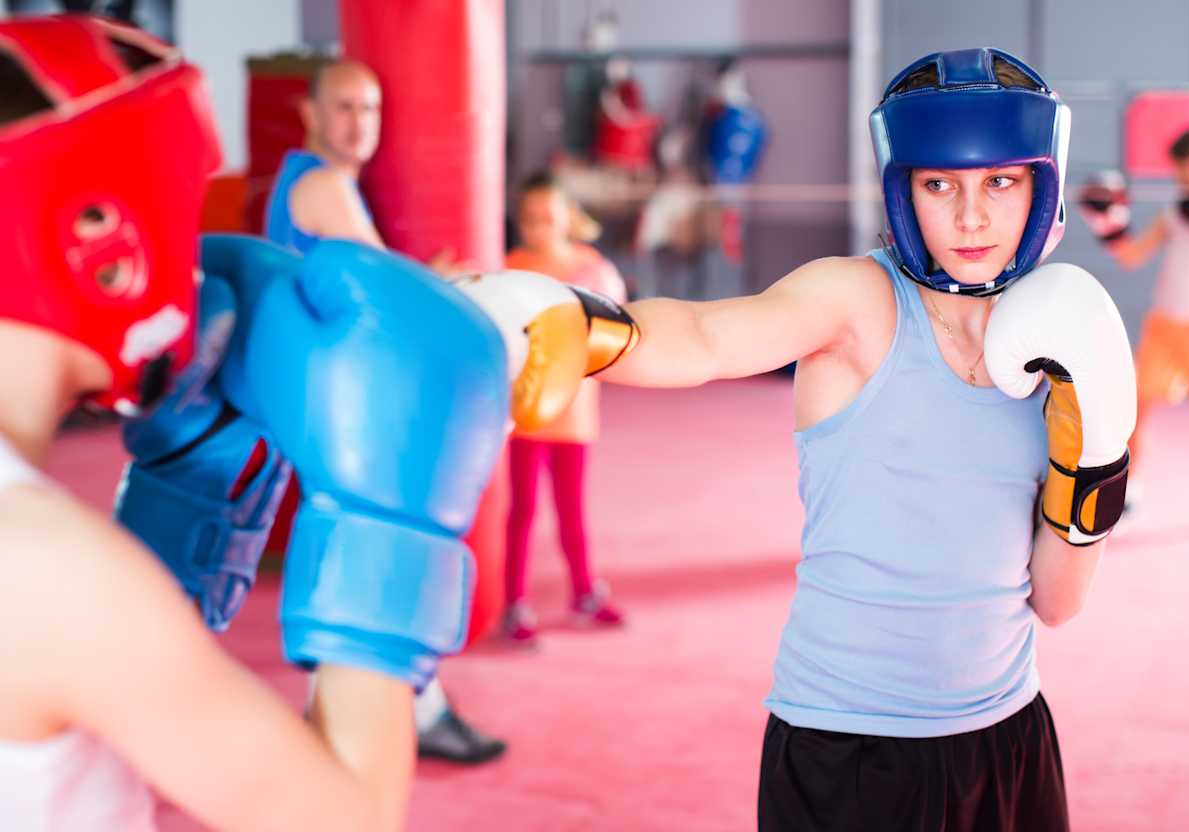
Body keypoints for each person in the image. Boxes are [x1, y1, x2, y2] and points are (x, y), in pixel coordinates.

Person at [591, 48, 1137, 830]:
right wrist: (574, 331)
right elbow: (705, 336)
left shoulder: (1053, 349)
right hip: (849, 747)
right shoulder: (855, 301)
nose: (971, 217)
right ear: (901, 189)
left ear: (1039, 186)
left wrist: (1096, 460)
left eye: (999, 182)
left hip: (1008, 735)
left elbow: (1055, 602)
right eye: (939, 184)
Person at [0, 16, 405, 829]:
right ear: (96, 235)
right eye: (179, 215)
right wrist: (386, 512)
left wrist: (162, 543)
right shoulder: (47, 569)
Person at [261, 58, 506, 764]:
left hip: (326, 390)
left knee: (364, 549)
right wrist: (450, 288)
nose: (357, 123)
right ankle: (412, 708)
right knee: (389, 546)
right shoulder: (324, 183)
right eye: (342, 106)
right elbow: (390, 295)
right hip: (342, 402)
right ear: (309, 113)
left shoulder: (303, 181)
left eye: (368, 109)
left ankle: (404, 705)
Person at [1079, 127, 1189, 529]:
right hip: (1164, 324)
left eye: (1188, 163)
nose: (1181, 172)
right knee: (1137, 411)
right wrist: (1109, 223)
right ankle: (1131, 491)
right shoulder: (1175, 210)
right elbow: (1131, 256)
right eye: (1178, 164)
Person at [499, 172, 631, 645]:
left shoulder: (592, 267)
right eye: (530, 220)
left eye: (548, 219)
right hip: (529, 415)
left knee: (572, 511)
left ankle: (584, 592)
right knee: (522, 511)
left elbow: (616, 324)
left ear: (567, 219)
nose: (539, 228)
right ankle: (514, 600)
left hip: (575, 415)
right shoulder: (511, 267)